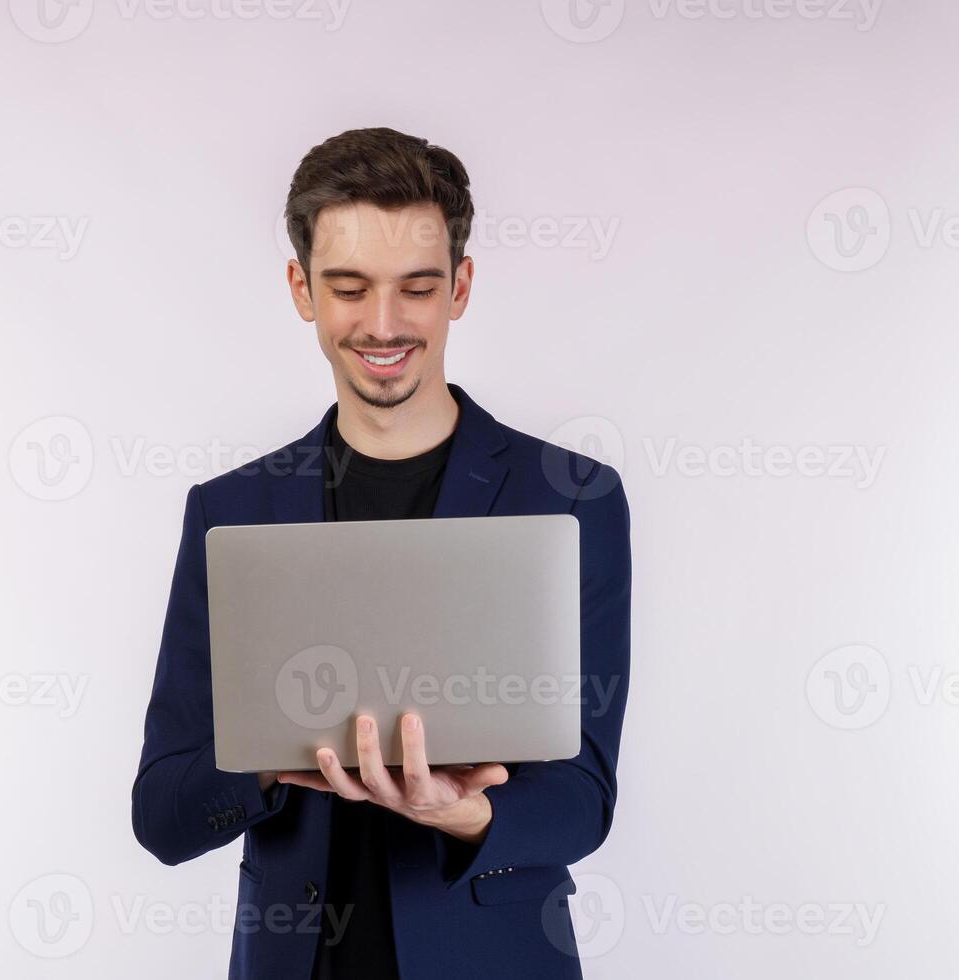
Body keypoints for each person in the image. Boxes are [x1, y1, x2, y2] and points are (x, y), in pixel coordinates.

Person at [131, 126, 631, 980]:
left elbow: (583, 800)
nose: (384, 324)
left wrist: (465, 812)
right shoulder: (231, 511)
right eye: (350, 288)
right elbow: (162, 814)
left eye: (418, 288)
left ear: (461, 288)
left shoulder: (571, 498)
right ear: (302, 289)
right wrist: (270, 767)